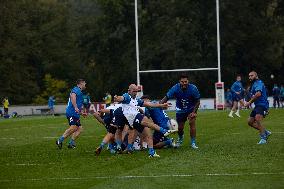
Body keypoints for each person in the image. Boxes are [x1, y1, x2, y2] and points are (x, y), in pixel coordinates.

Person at [95, 84, 176, 157]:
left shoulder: (137, 100)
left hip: (128, 118)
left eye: (137, 91)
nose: (136, 93)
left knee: (143, 131)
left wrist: (161, 105)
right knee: (144, 124)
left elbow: (149, 104)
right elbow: (122, 98)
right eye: (134, 91)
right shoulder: (127, 96)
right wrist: (118, 98)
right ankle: (163, 131)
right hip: (128, 117)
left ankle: (149, 151)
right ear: (129, 91)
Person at [160, 74, 200, 149]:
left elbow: (197, 101)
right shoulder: (175, 88)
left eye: (186, 81)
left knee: (192, 123)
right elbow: (166, 97)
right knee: (180, 128)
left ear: (188, 81)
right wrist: (159, 105)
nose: (184, 83)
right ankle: (180, 138)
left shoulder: (193, 88)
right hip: (180, 110)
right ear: (179, 82)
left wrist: (194, 112)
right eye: (182, 82)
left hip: (191, 109)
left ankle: (193, 143)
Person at [56, 79, 87, 149]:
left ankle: (71, 143)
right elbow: (73, 96)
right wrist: (75, 107)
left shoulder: (80, 92)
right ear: (81, 83)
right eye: (84, 83)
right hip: (71, 112)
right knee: (73, 127)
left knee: (79, 129)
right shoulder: (76, 89)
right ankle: (59, 140)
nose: (85, 84)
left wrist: (81, 113)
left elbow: (78, 104)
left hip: (75, 113)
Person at [244, 71, 271, 144]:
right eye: (249, 76)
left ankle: (263, 138)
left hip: (262, 105)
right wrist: (249, 101)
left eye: (251, 76)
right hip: (258, 105)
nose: (250, 77)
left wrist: (249, 102)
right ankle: (265, 132)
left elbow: (258, 94)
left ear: (256, 76)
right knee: (250, 122)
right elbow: (255, 96)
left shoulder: (259, 82)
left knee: (257, 119)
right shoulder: (254, 84)